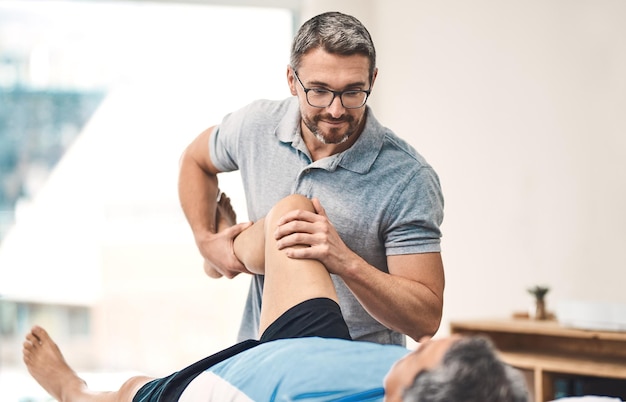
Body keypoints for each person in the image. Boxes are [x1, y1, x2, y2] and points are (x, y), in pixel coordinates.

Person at [23, 195, 529, 402]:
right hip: (317, 343)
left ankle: (73, 391)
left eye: (422, 357)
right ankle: (226, 254)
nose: (416, 346)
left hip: (251, 379)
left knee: (134, 390)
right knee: (293, 215)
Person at [178, 11, 445, 345]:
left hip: (356, 375)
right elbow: (194, 159)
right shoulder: (256, 125)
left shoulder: (407, 178)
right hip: (263, 360)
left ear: (372, 81)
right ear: (292, 80)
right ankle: (225, 256)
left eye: (353, 92)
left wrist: (343, 260)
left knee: (291, 213)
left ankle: (229, 255)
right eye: (319, 91)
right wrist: (206, 241)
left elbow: (425, 320)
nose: (335, 110)